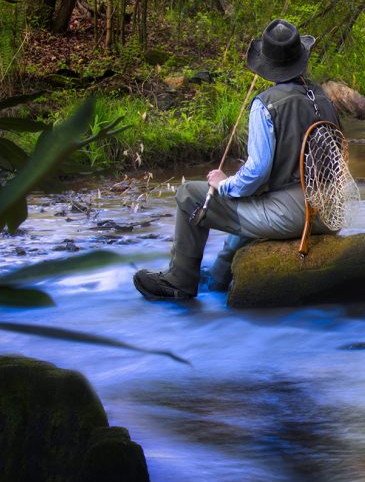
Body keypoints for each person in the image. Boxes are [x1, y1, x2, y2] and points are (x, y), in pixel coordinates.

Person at [133, 19, 341, 300]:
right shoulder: (323, 96)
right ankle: (220, 276)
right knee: (253, 197)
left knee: (189, 195)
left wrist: (223, 184)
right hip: (331, 212)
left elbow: (256, 173)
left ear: (268, 65)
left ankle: (179, 281)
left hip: (295, 217)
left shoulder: (266, 104)